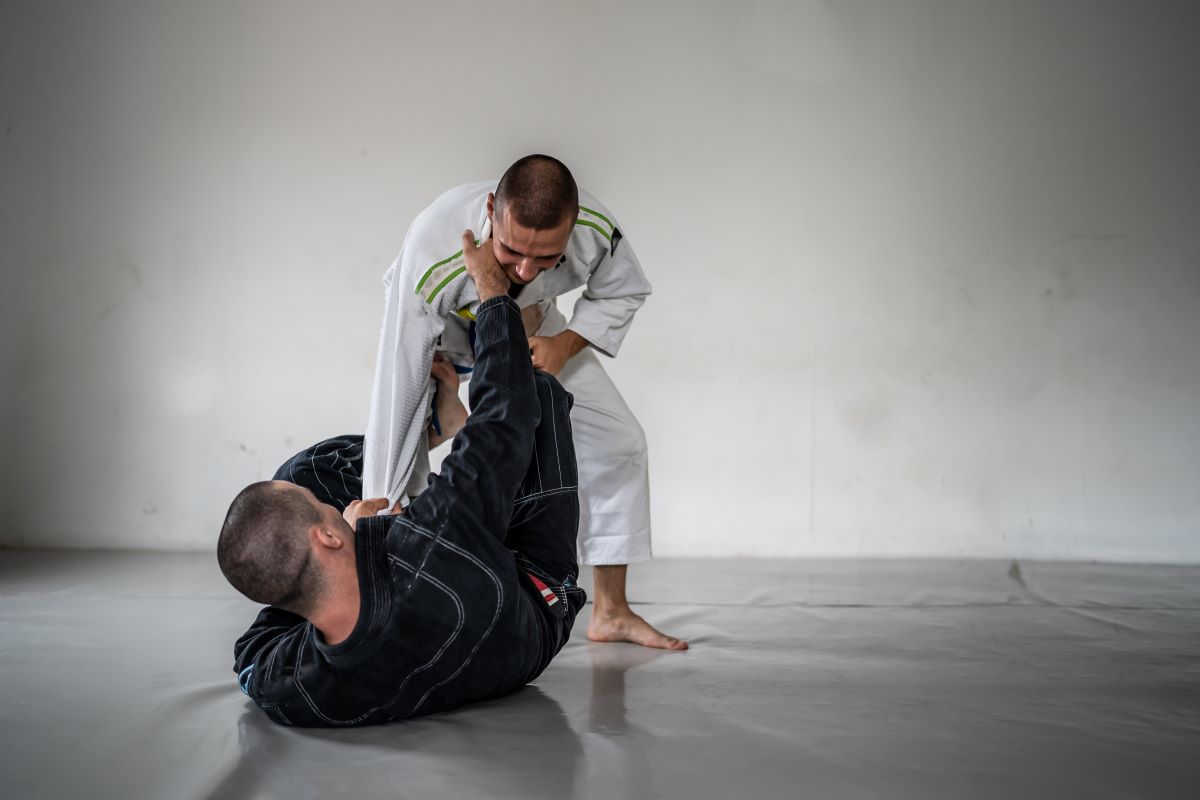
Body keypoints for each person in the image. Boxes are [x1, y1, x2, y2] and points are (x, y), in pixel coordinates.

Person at [217, 239, 585, 726]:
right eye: (325, 512)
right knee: (535, 392)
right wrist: (494, 295)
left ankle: (437, 431)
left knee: (300, 478)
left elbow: (250, 652)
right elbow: (505, 417)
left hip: (443, 588)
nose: (332, 506)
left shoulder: (292, 687)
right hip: (530, 597)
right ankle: (449, 429)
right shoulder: (435, 538)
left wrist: (361, 543)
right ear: (328, 536)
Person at [363, 154, 686, 650]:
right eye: (512, 250)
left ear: (572, 228)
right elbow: (396, 381)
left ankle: (613, 612)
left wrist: (564, 344)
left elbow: (622, 292)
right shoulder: (433, 246)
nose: (523, 267)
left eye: (545, 258)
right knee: (402, 468)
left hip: (534, 324)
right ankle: (392, 603)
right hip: (441, 339)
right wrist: (378, 507)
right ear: (492, 210)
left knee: (621, 442)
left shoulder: (596, 229)